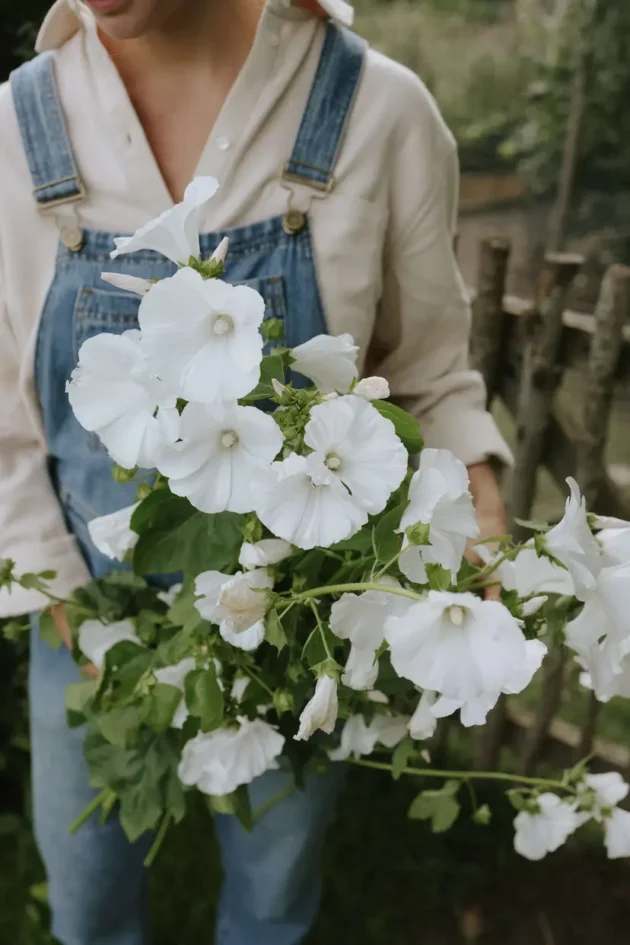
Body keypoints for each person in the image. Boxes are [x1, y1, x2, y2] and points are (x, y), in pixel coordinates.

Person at [0, 0, 512, 942]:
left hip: (299, 613)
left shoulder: (375, 112)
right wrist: (67, 605)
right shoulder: (18, 125)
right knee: (86, 895)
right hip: (88, 608)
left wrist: (471, 507)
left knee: (274, 892)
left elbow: (430, 373)